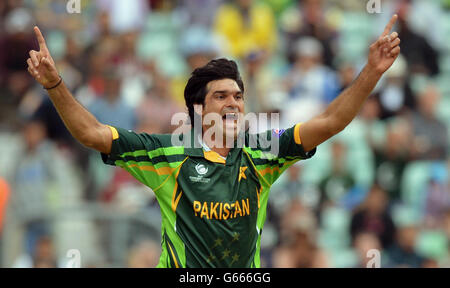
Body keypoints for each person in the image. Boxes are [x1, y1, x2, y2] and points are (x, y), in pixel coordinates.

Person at [25, 15, 401, 268]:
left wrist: (371, 71)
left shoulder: (262, 154)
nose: (233, 103)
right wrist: (54, 85)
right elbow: (91, 134)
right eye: (221, 96)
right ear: (199, 110)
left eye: (238, 96)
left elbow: (330, 121)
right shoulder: (167, 157)